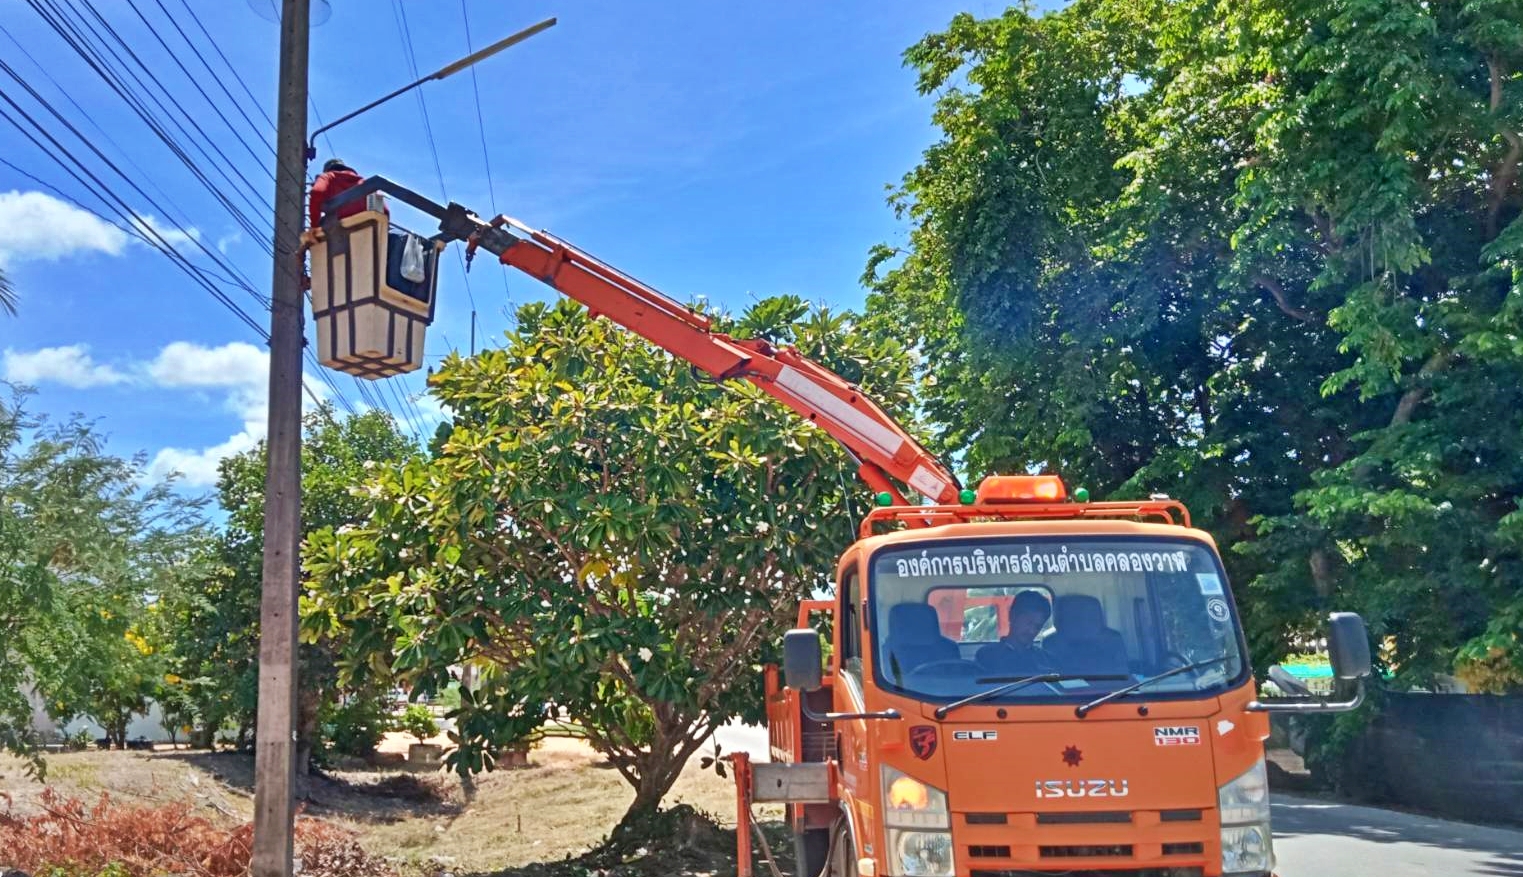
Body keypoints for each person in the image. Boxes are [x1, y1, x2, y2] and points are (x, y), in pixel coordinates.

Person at [976, 589, 1056, 675]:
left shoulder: (1047, 660)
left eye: (1038, 626)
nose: (1032, 631)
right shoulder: (987, 655)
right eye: (1028, 622)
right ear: (1012, 616)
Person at [307, 158, 375, 229]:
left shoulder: (328, 177)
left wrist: (314, 226)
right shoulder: (364, 183)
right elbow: (383, 209)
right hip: (364, 229)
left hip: (338, 230)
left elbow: (317, 192)